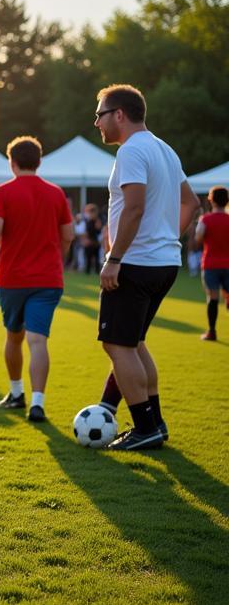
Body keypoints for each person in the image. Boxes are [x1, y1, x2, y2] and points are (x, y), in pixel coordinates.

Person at [91, 85, 198, 450]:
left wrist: (114, 258)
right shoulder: (164, 148)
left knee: (117, 346)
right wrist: (168, 238)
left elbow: (134, 207)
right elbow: (191, 202)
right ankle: (155, 423)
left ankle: (144, 428)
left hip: (135, 264)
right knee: (134, 343)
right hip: (162, 262)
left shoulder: (132, 151)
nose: (97, 123)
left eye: (100, 115)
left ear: (119, 114)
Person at [0, 136, 74, 422]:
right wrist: (55, 257)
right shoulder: (56, 193)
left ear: (12, 163)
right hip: (48, 278)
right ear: (39, 161)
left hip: (13, 278)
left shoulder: (2, 192)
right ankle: (38, 402)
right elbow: (69, 235)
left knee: (14, 337)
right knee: (38, 340)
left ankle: (16, 392)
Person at [196, 186, 229, 341]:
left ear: (211, 199)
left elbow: (198, 238)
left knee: (213, 298)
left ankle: (212, 332)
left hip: (210, 264)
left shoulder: (206, 219)